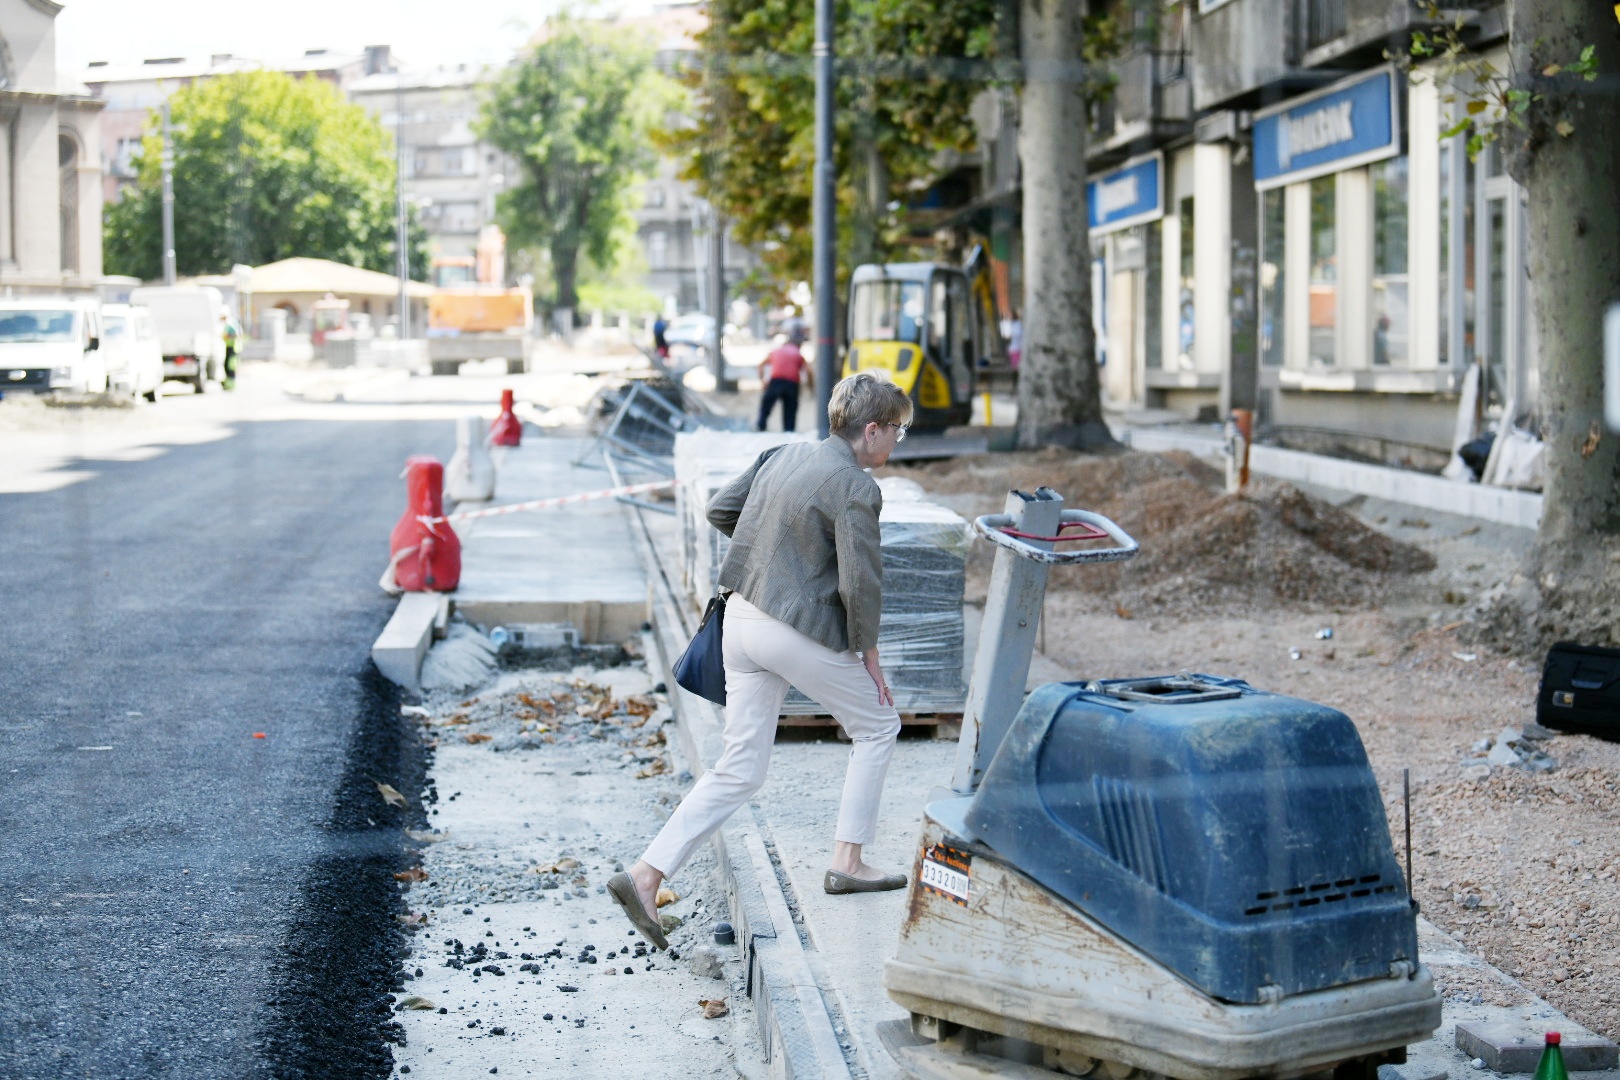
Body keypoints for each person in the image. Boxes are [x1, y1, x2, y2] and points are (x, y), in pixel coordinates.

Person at [608, 373, 915, 950]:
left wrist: (773, 556)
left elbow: (723, 509)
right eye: (897, 428)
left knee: (740, 768)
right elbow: (861, 584)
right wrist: (869, 656)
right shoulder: (857, 487)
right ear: (870, 430)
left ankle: (646, 875)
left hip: (740, 621)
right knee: (878, 726)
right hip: (789, 630)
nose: (898, 439)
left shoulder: (782, 454)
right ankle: (848, 860)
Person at [756, 335, 813, 432]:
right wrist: (810, 387)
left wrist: (763, 381)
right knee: (790, 408)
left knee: (767, 404)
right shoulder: (798, 354)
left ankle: (761, 425)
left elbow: (761, 365)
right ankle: (789, 429)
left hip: (776, 381)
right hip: (792, 383)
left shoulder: (775, 351)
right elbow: (808, 371)